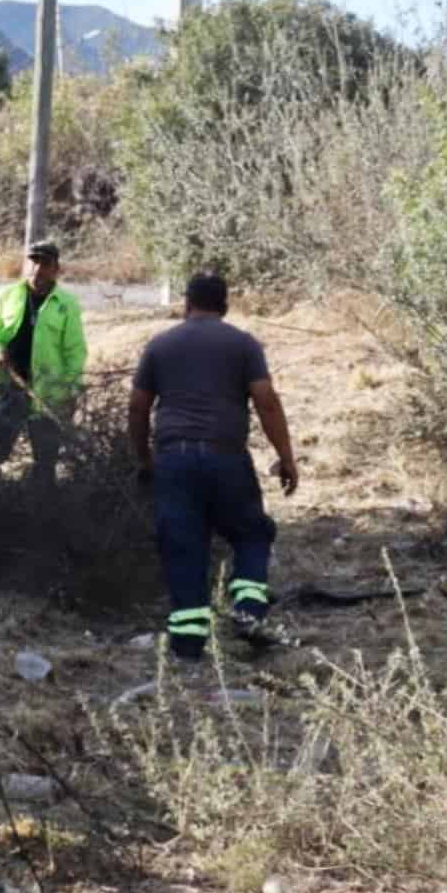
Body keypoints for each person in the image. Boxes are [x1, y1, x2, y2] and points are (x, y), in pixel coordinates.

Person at [129, 272, 299, 661]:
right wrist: (286, 456)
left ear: (186, 303)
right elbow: (266, 400)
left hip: (174, 460)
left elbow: (138, 407)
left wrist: (144, 460)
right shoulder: (243, 345)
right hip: (226, 456)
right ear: (225, 306)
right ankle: (249, 612)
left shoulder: (160, 345)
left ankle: (188, 646)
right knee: (252, 534)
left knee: (184, 549)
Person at [0, 240, 88, 495]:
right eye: (33, 262)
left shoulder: (67, 304)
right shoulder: (7, 295)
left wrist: (69, 390)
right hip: (10, 388)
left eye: (45, 263)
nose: (37, 269)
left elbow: (75, 353)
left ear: (56, 269)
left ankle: (40, 517)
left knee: (45, 465)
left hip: (48, 397)